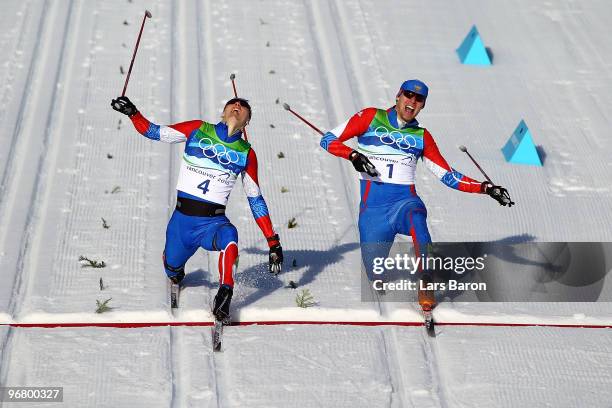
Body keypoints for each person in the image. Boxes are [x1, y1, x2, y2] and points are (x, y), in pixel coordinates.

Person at [319, 79, 512, 311]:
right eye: (408, 95)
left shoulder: (421, 136)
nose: (412, 101)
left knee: (418, 221)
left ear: (422, 106)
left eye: (419, 99)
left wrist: (486, 188)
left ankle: (425, 281)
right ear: (398, 96)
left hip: (404, 202)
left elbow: (447, 175)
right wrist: (353, 156)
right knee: (374, 272)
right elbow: (328, 140)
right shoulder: (370, 117)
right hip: (373, 210)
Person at [111, 95, 283, 320]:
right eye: (233, 103)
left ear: (247, 122)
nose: (237, 106)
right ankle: (175, 270)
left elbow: (255, 198)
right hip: (182, 222)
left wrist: (272, 241)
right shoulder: (198, 129)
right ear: (223, 112)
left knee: (230, 235)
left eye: (244, 107)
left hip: (213, 224)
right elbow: (156, 132)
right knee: (172, 267)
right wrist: (133, 113)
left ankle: (225, 293)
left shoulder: (246, 153)